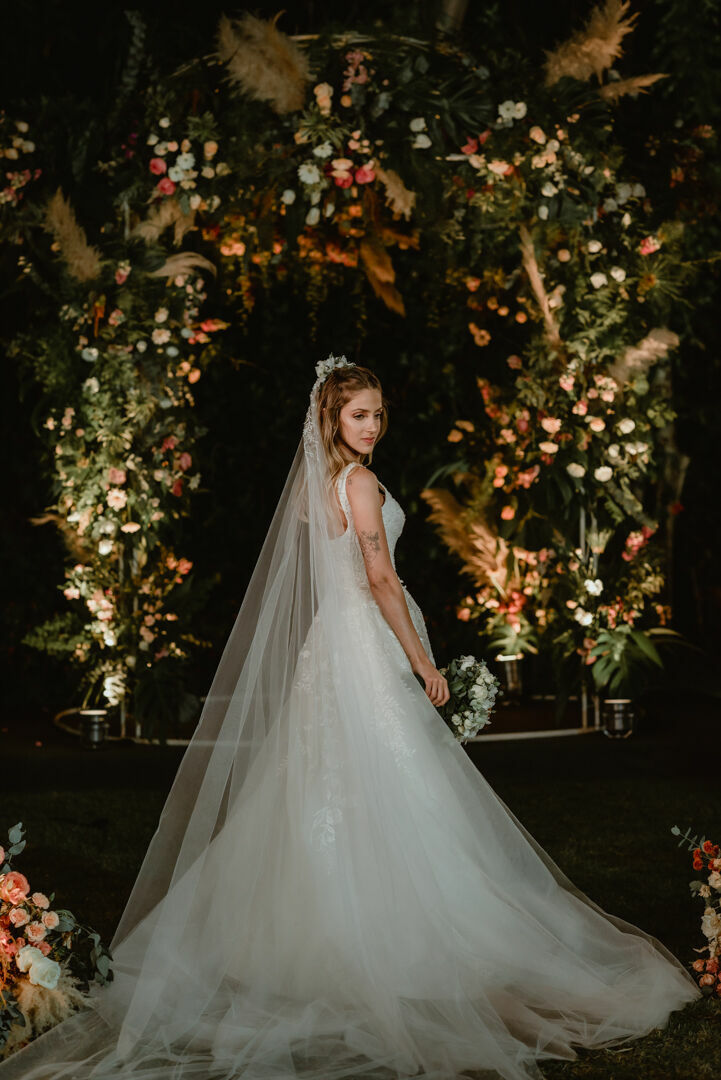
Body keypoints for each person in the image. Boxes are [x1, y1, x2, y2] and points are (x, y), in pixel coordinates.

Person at [1, 355, 700, 1080]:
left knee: (326, 781)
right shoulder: (358, 482)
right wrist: (422, 661)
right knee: (391, 779)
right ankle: (401, 934)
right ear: (331, 418)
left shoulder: (316, 488)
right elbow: (376, 576)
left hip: (329, 646)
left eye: (376, 413)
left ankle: (308, 934)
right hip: (363, 642)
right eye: (357, 414)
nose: (370, 426)